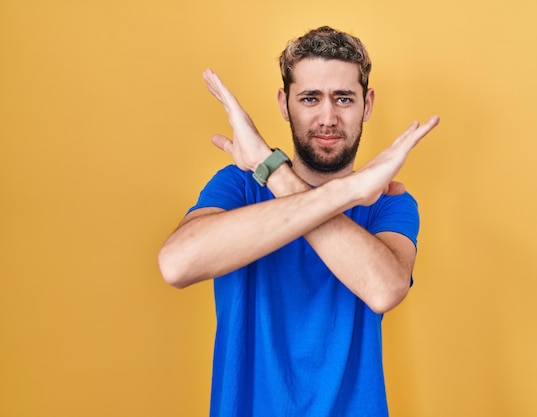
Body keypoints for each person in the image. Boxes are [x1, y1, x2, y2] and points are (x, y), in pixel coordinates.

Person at [158, 26, 439, 417]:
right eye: (310, 98)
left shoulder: (387, 203)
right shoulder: (239, 186)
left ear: (367, 104)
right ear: (284, 103)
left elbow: (383, 289)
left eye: (344, 98)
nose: (328, 117)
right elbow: (176, 264)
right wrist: (347, 190)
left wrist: (270, 167)